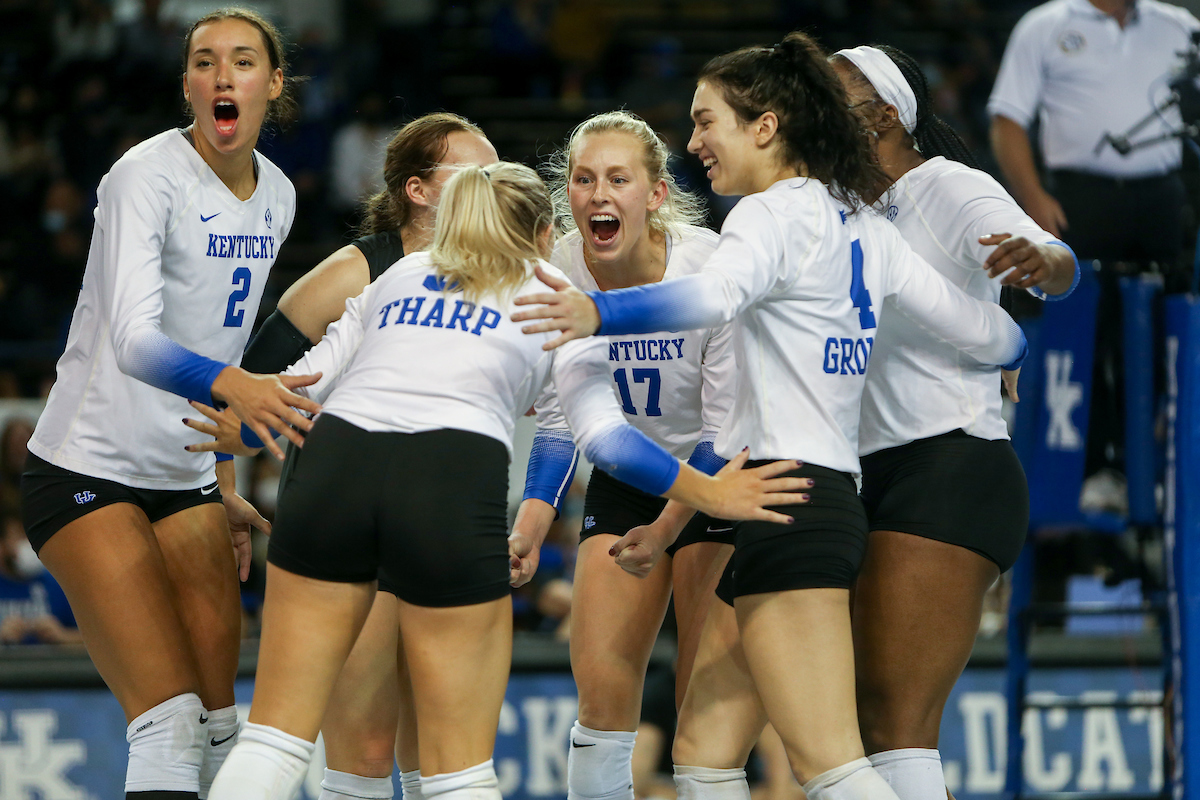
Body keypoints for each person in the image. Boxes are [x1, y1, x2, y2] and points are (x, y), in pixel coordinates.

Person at [511, 31, 1029, 800]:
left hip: (791, 498)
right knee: (704, 749)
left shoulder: (766, 214)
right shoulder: (865, 226)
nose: (695, 143)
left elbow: (713, 298)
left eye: (705, 120)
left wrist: (598, 310)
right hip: (811, 495)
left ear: (765, 126)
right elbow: (1000, 333)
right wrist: (1007, 354)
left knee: (830, 764)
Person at [205, 161, 807, 800]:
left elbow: (298, 388)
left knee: (275, 738)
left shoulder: (401, 274)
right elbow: (603, 439)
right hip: (446, 473)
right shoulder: (554, 294)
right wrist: (708, 491)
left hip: (334, 464)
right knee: (457, 769)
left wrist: (238, 434)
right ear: (547, 235)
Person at [18, 9, 315, 800]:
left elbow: (219, 341)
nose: (223, 76)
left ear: (272, 85)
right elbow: (136, 345)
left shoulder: (278, 196)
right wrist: (241, 389)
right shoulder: (142, 177)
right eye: (205, 62)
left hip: (181, 478)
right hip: (84, 469)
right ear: (187, 84)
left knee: (223, 727)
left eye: (244, 62)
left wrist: (219, 480)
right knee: (169, 721)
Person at [186, 111, 498, 800]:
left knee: (440, 751)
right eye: (475, 175)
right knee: (361, 745)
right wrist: (225, 484)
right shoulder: (360, 268)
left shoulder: (497, 272)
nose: (491, 188)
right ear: (418, 190)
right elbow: (242, 387)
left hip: (438, 504)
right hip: (347, 497)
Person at [829, 44, 1077, 799]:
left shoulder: (944, 185)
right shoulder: (829, 210)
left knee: (894, 729)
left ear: (883, 114)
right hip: (861, 472)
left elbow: (1058, 257)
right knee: (858, 738)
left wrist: (1039, 257)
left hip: (946, 464)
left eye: (827, 90)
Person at [512, 110, 735, 800]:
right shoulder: (557, 272)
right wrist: (531, 521)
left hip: (716, 474)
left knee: (703, 715)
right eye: (583, 180)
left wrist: (672, 524)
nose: (599, 194)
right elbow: (557, 418)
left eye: (618, 179)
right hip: (624, 476)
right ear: (568, 194)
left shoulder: (711, 265)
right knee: (602, 697)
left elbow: (730, 423)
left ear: (656, 194)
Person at [988, 0, 1200, 486]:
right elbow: (1007, 119)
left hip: (1162, 197)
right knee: (1082, 332)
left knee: (1165, 326)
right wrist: (1033, 197)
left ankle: (1153, 460)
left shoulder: (1181, 27)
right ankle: (1084, 467)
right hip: (1076, 198)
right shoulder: (1045, 25)